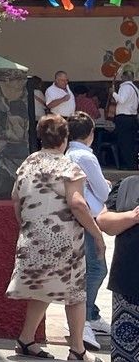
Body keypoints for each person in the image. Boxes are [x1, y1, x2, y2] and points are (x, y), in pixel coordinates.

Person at [6, 113, 105, 362]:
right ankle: (78, 349)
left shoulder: (28, 163)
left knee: (43, 287)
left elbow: (16, 199)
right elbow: (77, 204)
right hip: (63, 242)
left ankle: (26, 339)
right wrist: (97, 235)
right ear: (65, 138)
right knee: (76, 294)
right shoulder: (68, 167)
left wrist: (27, 226)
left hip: (32, 238)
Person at [92, 173, 139, 362]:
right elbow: (105, 221)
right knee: (125, 351)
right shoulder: (128, 185)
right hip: (128, 279)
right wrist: (133, 216)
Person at [67, 112, 112, 348]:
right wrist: (106, 186)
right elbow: (103, 193)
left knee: (87, 269)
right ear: (90, 134)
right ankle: (84, 318)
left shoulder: (68, 153)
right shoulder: (86, 156)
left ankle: (91, 314)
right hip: (87, 217)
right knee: (96, 269)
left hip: (75, 218)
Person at [114, 69, 139, 170]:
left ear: (123, 77)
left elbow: (121, 100)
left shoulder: (125, 87)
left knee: (124, 142)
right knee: (131, 142)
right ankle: (133, 164)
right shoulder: (135, 89)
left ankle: (128, 165)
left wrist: (113, 93)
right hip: (132, 117)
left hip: (124, 118)